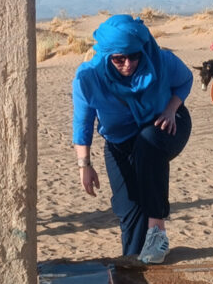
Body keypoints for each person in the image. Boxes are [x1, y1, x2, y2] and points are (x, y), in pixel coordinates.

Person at [72, 14, 192, 264]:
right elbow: (83, 123)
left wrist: (171, 109)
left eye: (134, 56)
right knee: (129, 208)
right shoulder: (88, 78)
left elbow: (185, 81)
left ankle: (157, 232)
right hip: (119, 141)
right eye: (119, 59)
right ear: (107, 56)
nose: (128, 64)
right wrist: (84, 164)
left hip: (166, 125)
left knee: (146, 144)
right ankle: (134, 263)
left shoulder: (160, 61)